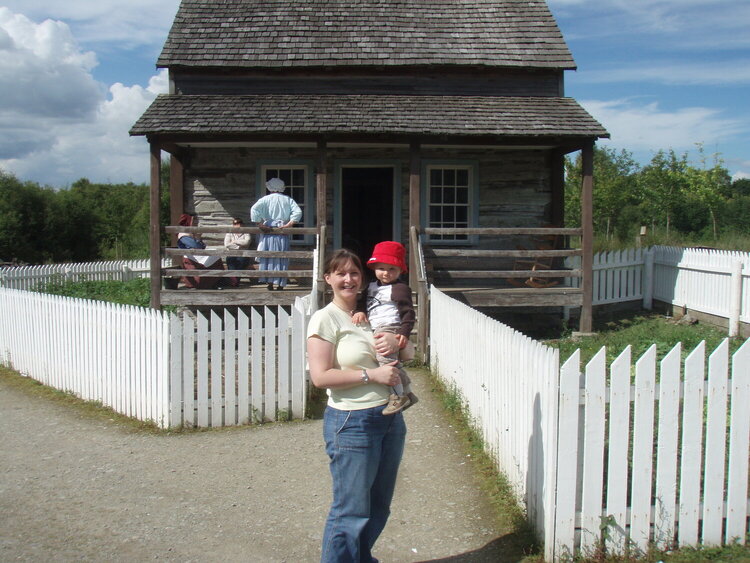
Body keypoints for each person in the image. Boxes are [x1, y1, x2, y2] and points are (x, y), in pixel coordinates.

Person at [307, 249, 406, 563]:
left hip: (389, 418)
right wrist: (371, 374)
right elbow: (320, 377)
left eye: (354, 273)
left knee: (379, 505)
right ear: (329, 279)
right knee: (350, 509)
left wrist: (401, 344)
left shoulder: (372, 313)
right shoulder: (325, 318)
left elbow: (406, 354)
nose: (348, 279)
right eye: (341, 273)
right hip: (352, 422)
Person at [352, 241, 418, 415]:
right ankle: (408, 393)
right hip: (376, 326)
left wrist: (404, 332)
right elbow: (362, 303)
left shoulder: (400, 288)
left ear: (400, 270)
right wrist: (359, 312)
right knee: (393, 364)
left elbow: (408, 313)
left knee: (386, 364)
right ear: (374, 268)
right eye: (381, 268)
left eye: (392, 269)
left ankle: (398, 396)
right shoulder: (370, 287)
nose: (386, 273)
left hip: (390, 327)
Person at [249, 177, 302, 290]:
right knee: (281, 256)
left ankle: (269, 283)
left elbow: (254, 209)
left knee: (268, 256)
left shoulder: (265, 199)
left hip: (268, 231)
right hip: (282, 230)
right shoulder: (288, 200)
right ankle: (280, 283)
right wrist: (289, 224)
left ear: (270, 187)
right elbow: (297, 211)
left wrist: (260, 224)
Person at [177, 213, 223, 289]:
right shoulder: (183, 235)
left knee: (215, 255)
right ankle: (202, 283)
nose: (195, 223)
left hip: (196, 254)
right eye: (193, 221)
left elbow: (201, 245)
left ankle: (215, 281)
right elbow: (197, 246)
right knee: (213, 257)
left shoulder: (189, 233)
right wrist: (198, 240)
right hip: (191, 257)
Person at [223, 217, 252, 287]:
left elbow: (247, 242)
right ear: (233, 225)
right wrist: (239, 246)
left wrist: (235, 242)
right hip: (232, 253)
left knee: (241, 261)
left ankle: (234, 282)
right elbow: (227, 245)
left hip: (243, 254)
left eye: (239, 223)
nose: (237, 225)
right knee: (230, 260)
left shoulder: (246, 233)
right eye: (235, 223)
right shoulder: (229, 233)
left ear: (242, 224)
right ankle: (235, 281)